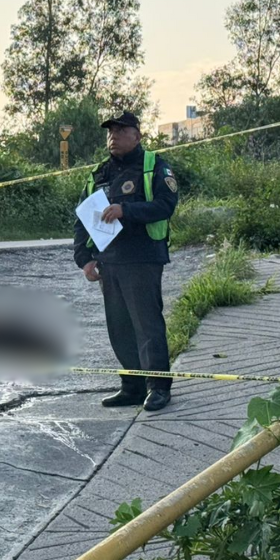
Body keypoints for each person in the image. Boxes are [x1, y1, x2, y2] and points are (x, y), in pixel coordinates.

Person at [73, 111, 179, 411]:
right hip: (109, 261)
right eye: (110, 132)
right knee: (119, 327)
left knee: (146, 325)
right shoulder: (99, 173)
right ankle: (132, 386)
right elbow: (82, 218)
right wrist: (84, 259)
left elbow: (165, 205)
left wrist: (125, 211)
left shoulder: (154, 166)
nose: (113, 137)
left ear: (137, 135)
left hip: (143, 258)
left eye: (120, 131)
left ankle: (158, 387)